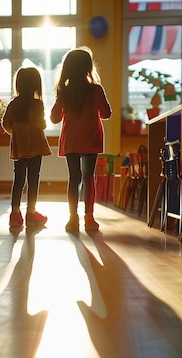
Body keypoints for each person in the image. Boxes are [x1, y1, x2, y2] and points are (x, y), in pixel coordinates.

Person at [50, 47, 112, 232]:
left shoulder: (64, 91)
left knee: (74, 177)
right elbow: (107, 113)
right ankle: (89, 217)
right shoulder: (96, 90)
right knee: (88, 177)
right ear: (88, 67)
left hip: (71, 139)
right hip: (91, 138)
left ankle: (72, 218)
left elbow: (54, 118)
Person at [2, 66, 52, 228]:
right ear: (35, 85)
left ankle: (15, 214)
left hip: (19, 148)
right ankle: (31, 213)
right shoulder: (37, 105)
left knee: (18, 180)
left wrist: (17, 133)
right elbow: (41, 124)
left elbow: (6, 124)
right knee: (33, 180)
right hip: (36, 147)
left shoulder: (13, 104)